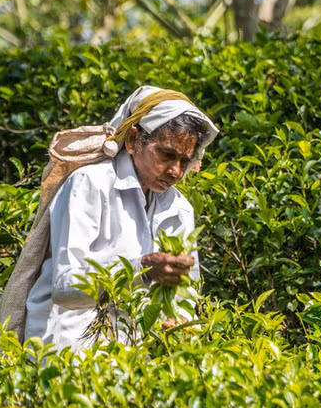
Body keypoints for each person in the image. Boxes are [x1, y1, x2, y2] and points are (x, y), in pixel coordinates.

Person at [22, 86, 219, 351]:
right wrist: (143, 269)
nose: (175, 171)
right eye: (167, 155)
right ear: (133, 140)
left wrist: (180, 321)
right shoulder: (90, 184)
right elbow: (65, 287)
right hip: (68, 347)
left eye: (184, 161)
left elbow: (187, 289)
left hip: (134, 354)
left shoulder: (179, 208)